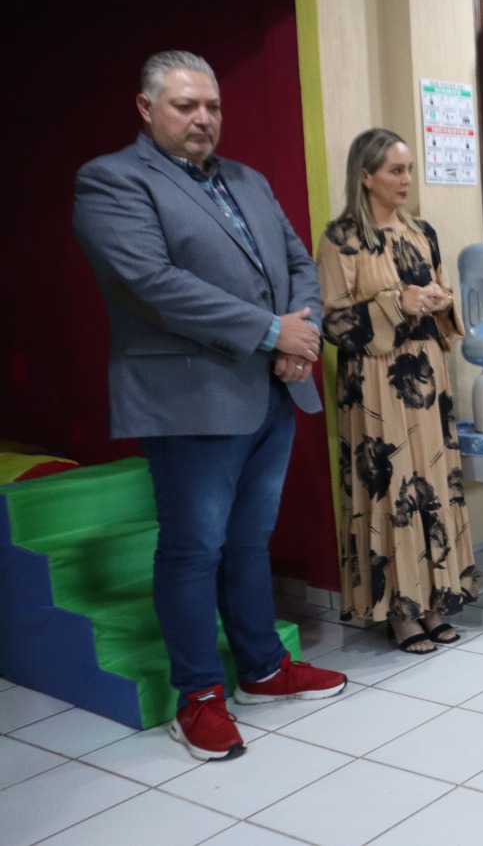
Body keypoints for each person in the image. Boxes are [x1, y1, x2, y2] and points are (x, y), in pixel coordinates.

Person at [73, 50, 346, 762]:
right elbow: (151, 282)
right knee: (194, 549)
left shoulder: (247, 180)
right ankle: (197, 697)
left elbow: (298, 264)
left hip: (273, 388)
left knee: (250, 542)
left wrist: (300, 336)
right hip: (189, 398)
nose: (203, 119)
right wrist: (271, 332)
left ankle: (262, 670)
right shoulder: (113, 180)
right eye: (186, 105)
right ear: (146, 108)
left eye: (212, 106)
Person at [318, 128, 477, 652]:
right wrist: (395, 303)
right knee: (391, 490)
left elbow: (439, 295)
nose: (406, 179)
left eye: (408, 169)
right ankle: (399, 613)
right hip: (375, 383)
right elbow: (332, 322)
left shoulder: (421, 231)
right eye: (395, 170)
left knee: (431, 483)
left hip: (427, 376)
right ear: (366, 176)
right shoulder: (341, 239)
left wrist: (440, 300)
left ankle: (434, 603)